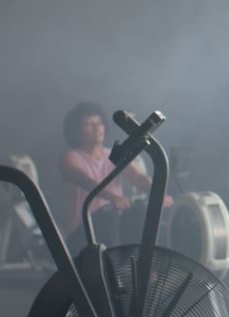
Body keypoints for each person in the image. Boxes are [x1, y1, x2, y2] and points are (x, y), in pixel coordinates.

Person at [60, 101, 171, 253]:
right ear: (77, 131)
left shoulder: (114, 154)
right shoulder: (70, 158)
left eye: (99, 123)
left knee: (138, 214)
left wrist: (158, 192)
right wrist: (113, 198)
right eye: (89, 124)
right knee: (111, 217)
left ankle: (145, 267)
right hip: (83, 233)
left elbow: (137, 177)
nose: (97, 128)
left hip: (114, 227)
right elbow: (87, 182)